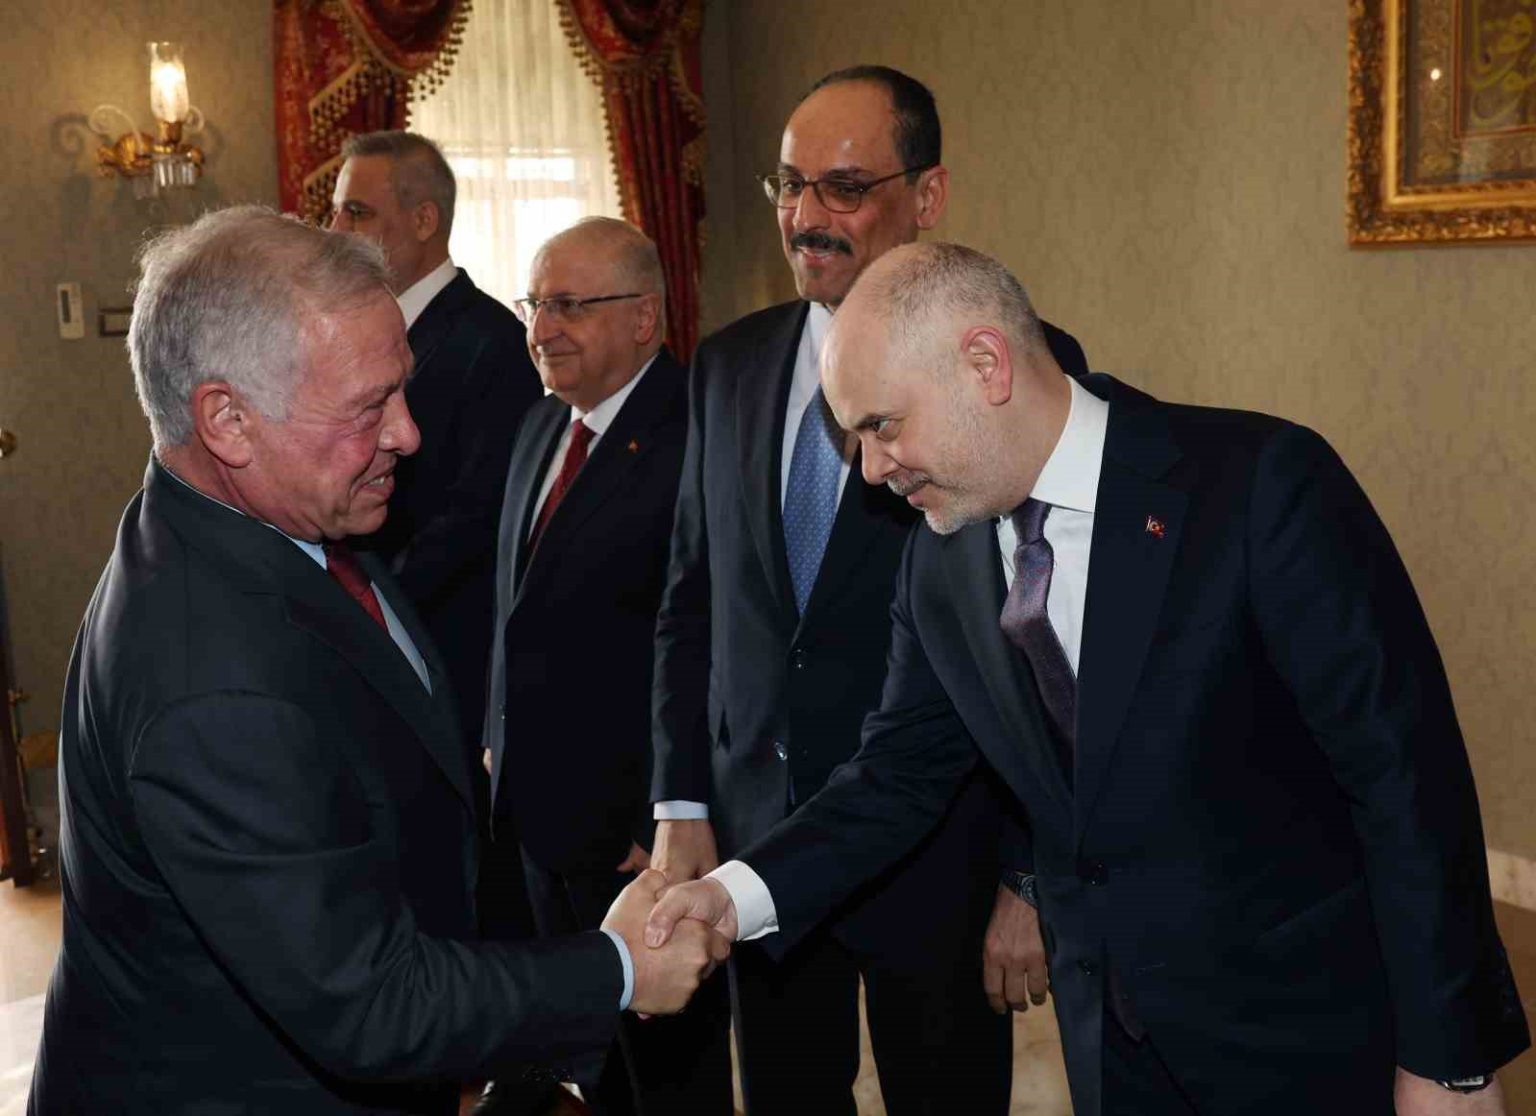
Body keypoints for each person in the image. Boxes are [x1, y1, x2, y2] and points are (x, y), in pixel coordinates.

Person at [648, 241, 1531, 1116]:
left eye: (882, 426)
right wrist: (731, 897)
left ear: (986, 364)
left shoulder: (1259, 485)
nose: (872, 470)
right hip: (1107, 1044)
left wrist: (1451, 1059)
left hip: (1302, 1032)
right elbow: (895, 775)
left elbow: (1407, 784)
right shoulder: (938, 566)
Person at [27, 205, 727, 1116]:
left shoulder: (270, 519)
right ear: (228, 421)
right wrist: (619, 967)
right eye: (370, 407)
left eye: (402, 391)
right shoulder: (210, 681)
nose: (408, 434)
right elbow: (367, 1001)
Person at [648, 65, 1088, 1114]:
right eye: (789, 185)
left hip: (938, 854)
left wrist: (1027, 876)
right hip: (763, 836)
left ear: (927, 196)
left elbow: (1042, 639)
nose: (805, 217)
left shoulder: (1013, 369)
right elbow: (692, 598)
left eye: (843, 188)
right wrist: (683, 801)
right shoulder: (727, 365)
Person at [481, 218, 732, 1115]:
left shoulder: (700, 432)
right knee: (589, 1066)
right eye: (534, 304)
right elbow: (515, 615)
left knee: (667, 1075)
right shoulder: (538, 427)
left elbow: (701, 636)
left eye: (569, 306)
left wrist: (661, 809)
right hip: (536, 812)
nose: (542, 328)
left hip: (636, 830)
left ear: (643, 318)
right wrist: (495, 738)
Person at [330, 131, 541, 779]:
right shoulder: (355, 337)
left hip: (445, 648)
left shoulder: (491, 341)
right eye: (335, 210)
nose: (334, 230)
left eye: (356, 212)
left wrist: (373, 606)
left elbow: (480, 514)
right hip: (375, 635)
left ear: (424, 220)